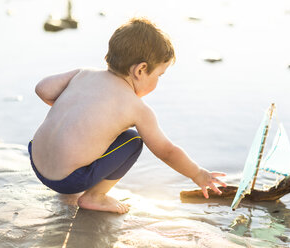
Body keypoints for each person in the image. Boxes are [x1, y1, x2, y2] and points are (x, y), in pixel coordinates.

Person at [28, 17, 226, 214]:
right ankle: (95, 197)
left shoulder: (83, 74)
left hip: (36, 161)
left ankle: (68, 166)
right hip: (67, 181)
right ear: (141, 70)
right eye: (159, 75)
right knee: (133, 140)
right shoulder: (137, 108)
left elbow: (43, 89)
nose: (158, 81)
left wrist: (74, 109)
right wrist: (198, 174)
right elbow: (166, 151)